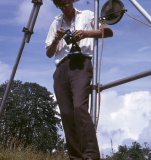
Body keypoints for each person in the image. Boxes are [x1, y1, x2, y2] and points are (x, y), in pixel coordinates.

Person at [45, 0, 113, 159]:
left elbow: (107, 32)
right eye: (60, 5)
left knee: (79, 107)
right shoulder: (56, 22)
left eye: (66, 2)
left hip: (81, 63)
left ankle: (90, 156)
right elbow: (49, 53)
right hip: (61, 67)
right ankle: (75, 157)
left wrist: (85, 33)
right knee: (66, 114)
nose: (64, 7)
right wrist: (57, 39)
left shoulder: (88, 15)